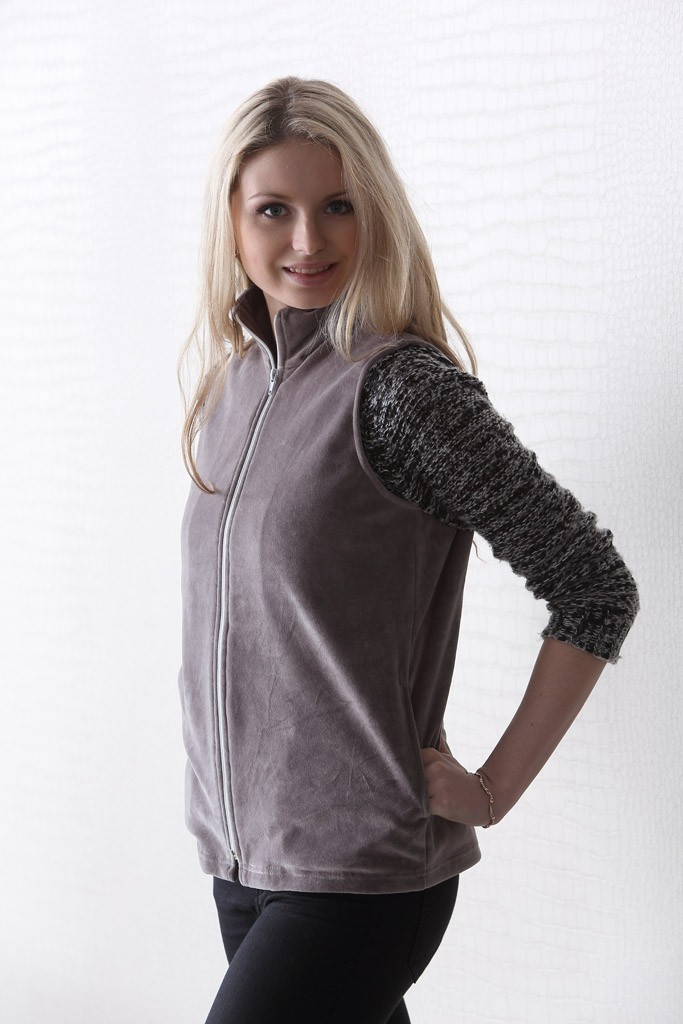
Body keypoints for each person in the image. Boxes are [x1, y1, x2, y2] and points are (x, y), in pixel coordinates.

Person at [175, 76, 639, 1024]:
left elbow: (592, 587)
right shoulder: (229, 387)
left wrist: (493, 788)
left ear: (375, 214)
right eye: (274, 209)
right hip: (240, 863)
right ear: (231, 220)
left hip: (360, 875)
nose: (308, 240)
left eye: (338, 207)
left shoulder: (403, 392)